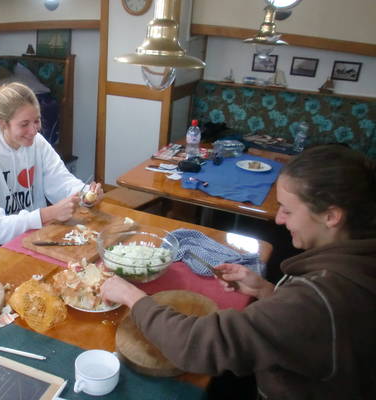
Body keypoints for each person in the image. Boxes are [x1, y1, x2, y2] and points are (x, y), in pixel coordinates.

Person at [101, 145, 376, 399]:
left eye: (288, 211)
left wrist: (132, 297)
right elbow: (305, 330)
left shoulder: (318, 298)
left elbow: (198, 345)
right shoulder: (356, 263)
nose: (278, 219)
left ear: (331, 216)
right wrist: (267, 292)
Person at [0, 82, 103, 259]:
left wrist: (85, 194)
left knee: (80, 259)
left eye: (37, 121)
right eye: (24, 124)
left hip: (33, 230)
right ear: (2, 123)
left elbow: (61, 182)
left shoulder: (37, 143)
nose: (33, 130)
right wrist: (48, 214)